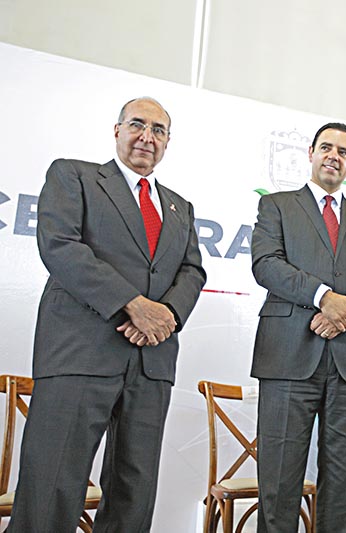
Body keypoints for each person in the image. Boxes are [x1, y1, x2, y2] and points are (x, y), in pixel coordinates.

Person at [7, 97, 206, 532]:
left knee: (134, 489)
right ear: (117, 130)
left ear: (168, 142)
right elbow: (61, 245)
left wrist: (165, 315)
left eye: (158, 130)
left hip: (150, 361)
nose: (146, 137)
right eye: (137, 124)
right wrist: (133, 306)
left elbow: (192, 270)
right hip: (81, 352)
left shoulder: (180, 207)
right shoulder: (73, 176)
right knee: (53, 482)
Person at [250, 122, 346, 532]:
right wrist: (323, 297)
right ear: (311, 153)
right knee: (279, 480)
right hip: (287, 356)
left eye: (343, 151)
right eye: (326, 147)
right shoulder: (277, 205)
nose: (334, 155)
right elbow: (266, 264)